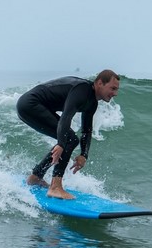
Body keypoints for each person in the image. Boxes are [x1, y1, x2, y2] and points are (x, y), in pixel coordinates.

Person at [16, 69, 120, 199]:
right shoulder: (82, 90)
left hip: (33, 106)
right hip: (30, 104)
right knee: (69, 139)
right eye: (113, 88)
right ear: (100, 83)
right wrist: (60, 143)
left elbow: (86, 130)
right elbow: (66, 117)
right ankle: (55, 187)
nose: (115, 93)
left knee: (70, 140)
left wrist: (84, 155)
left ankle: (36, 177)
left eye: (117, 90)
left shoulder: (92, 102)